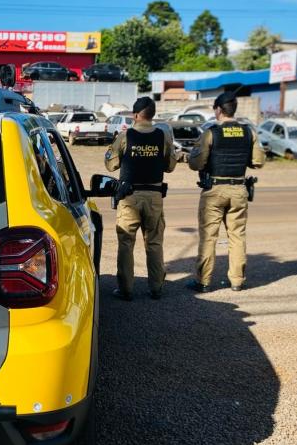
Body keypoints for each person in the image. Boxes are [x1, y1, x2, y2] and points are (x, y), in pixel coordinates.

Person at [187, 92, 265, 292]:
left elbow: (196, 163)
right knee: (237, 236)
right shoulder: (250, 132)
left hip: (214, 190)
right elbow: (258, 161)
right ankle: (237, 281)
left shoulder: (211, 133)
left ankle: (203, 281)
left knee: (208, 237)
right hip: (239, 189)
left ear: (218, 110)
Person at [105, 96, 176, 300]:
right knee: (154, 242)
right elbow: (170, 166)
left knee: (126, 243)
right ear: (152, 115)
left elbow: (111, 165)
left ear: (135, 115)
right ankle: (156, 288)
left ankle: (126, 289)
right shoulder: (163, 137)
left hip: (129, 197)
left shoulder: (126, 136)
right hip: (154, 196)